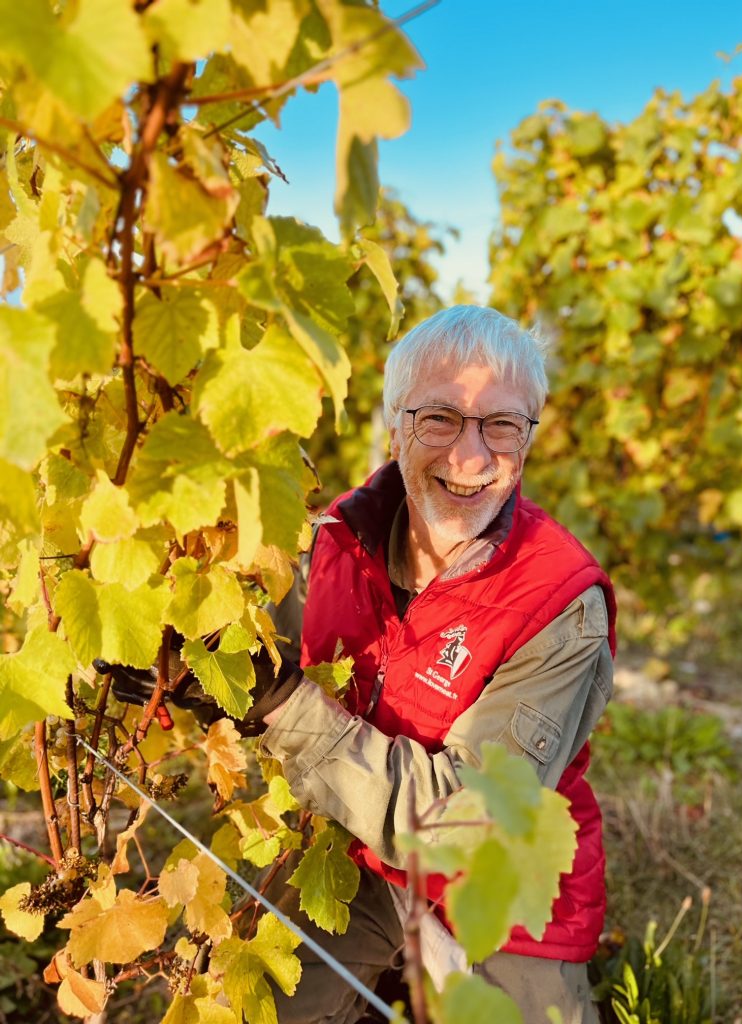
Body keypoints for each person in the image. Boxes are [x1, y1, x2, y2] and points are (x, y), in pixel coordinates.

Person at [105, 305, 616, 1023]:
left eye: (501, 425)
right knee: (254, 1004)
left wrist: (279, 704)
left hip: (502, 881)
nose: (471, 457)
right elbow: (275, 666)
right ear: (393, 424)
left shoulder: (561, 604)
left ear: (530, 433)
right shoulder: (335, 541)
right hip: (350, 854)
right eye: (439, 417)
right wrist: (203, 666)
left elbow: (463, 824)